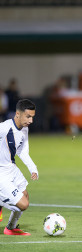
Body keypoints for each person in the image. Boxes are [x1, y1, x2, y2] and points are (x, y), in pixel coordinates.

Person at [0, 99, 38, 235]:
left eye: (32, 117)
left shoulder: (24, 129)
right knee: (23, 204)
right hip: (1, 172)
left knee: (25, 195)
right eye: (28, 116)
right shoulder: (4, 127)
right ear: (17, 113)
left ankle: (10, 228)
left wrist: (33, 168)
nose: (30, 121)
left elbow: (22, 151)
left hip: (11, 168)